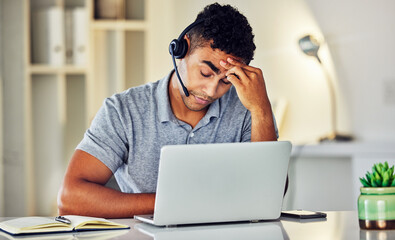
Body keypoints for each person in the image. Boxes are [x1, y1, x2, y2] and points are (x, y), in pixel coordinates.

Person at [57, 3, 279, 218]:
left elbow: (271, 192)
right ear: (182, 49)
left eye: (226, 80)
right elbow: (70, 199)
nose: (211, 91)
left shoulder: (248, 108)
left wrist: (261, 109)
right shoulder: (123, 111)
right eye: (205, 73)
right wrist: (175, 203)